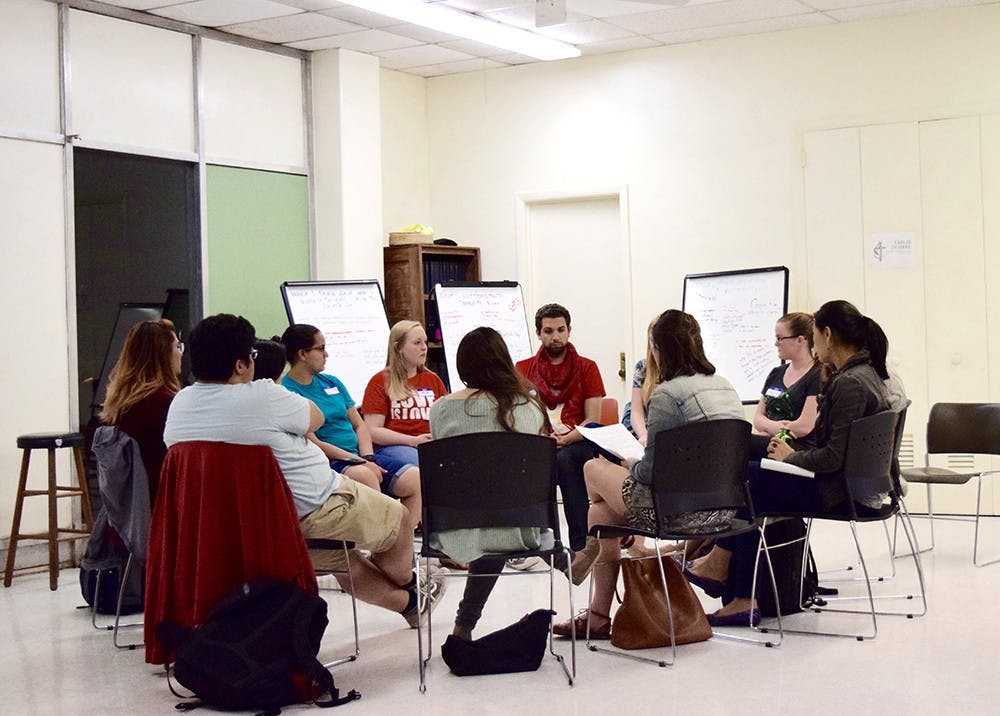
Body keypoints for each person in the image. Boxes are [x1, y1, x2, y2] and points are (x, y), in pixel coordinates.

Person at [163, 314, 445, 628]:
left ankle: (409, 603)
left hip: (245, 533)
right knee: (400, 517)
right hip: (316, 508)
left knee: (344, 559)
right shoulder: (262, 395)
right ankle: (412, 586)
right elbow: (315, 418)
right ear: (240, 366)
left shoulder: (180, 404)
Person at [684, 300, 892, 626]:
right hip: (854, 486)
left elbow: (832, 456)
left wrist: (790, 457)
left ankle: (731, 581)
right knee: (750, 473)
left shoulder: (850, 383)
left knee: (749, 480)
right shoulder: (866, 375)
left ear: (827, 335)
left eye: (815, 336)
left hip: (839, 491)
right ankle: (727, 573)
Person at [553, 309, 744, 639]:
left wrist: (630, 464)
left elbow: (650, 473)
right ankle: (598, 615)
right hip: (724, 510)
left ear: (658, 348)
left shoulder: (668, 395)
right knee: (601, 513)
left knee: (592, 467)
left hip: (671, 512)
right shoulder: (724, 386)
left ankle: (588, 553)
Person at [429, 327, 551, 641]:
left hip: (456, 526)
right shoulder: (529, 407)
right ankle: (571, 559)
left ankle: (463, 626)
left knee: (486, 524)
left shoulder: (442, 409)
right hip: (520, 526)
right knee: (498, 524)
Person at [281, 324, 420, 502]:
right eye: (321, 349)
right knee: (366, 477)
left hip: (359, 455)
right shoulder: (288, 391)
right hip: (330, 460)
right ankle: (379, 528)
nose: (326, 354)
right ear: (302, 354)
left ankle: (402, 531)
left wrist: (368, 457)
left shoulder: (332, 382)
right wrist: (358, 461)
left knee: (415, 479)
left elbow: (359, 424)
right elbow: (315, 442)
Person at [516, 303, 605, 553]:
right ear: (538, 333)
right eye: (548, 331)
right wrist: (545, 439)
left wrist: (565, 439)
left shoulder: (588, 367)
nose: (555, 337)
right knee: (547, 460)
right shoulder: (522, 370)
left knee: (565, 460)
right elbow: (518, 417)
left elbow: (593, 420)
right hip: (539, 442)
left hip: (578, 440)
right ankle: (550, 544)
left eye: (561, 330)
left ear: (569, 330)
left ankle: (579, 544)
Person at [360, 320, 446, 528]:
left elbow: (445, 417)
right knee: (424, 465)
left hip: (429, 443)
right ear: (399, 348)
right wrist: (412, 440)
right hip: (394, 446)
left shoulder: (433, 380)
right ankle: (416, 530)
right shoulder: (380, 381)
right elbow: (371, 431)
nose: (424, 347)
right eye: (417, 343)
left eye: (425, 342)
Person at [99, 318, 183, 504]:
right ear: (163, 355)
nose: (180, 354)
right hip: (159, 505)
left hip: (127, 510)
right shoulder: (166, 403)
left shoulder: (120, 403)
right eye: (177, 347)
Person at [750, 312, 821, 457]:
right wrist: (775, 427)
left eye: (780, 338)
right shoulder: (776, 373)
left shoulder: (817, 375)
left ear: (800, 340)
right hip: (769, 439)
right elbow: (758, 418)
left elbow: (804, 426)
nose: (776, 343)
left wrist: (771, 429)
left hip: (797, 449)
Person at [620, 316, 661, 446]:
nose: (654, 346)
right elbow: (636, 411)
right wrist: (643, 435)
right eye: (651, 341)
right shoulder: (643, 367)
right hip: (642, 429)